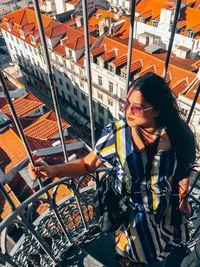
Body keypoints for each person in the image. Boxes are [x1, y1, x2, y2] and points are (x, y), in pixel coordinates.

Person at [29, 72, 196, 267]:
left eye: (137, 108)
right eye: (126, 104)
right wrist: (53, 170)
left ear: (156, 110)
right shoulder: (118, 134)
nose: (128, 112)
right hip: (129, 213)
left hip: (163, 212)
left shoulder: (178, 136)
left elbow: (184, 171)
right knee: (129, 258)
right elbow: (86, 165)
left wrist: (182, 199)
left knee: (157, 254)